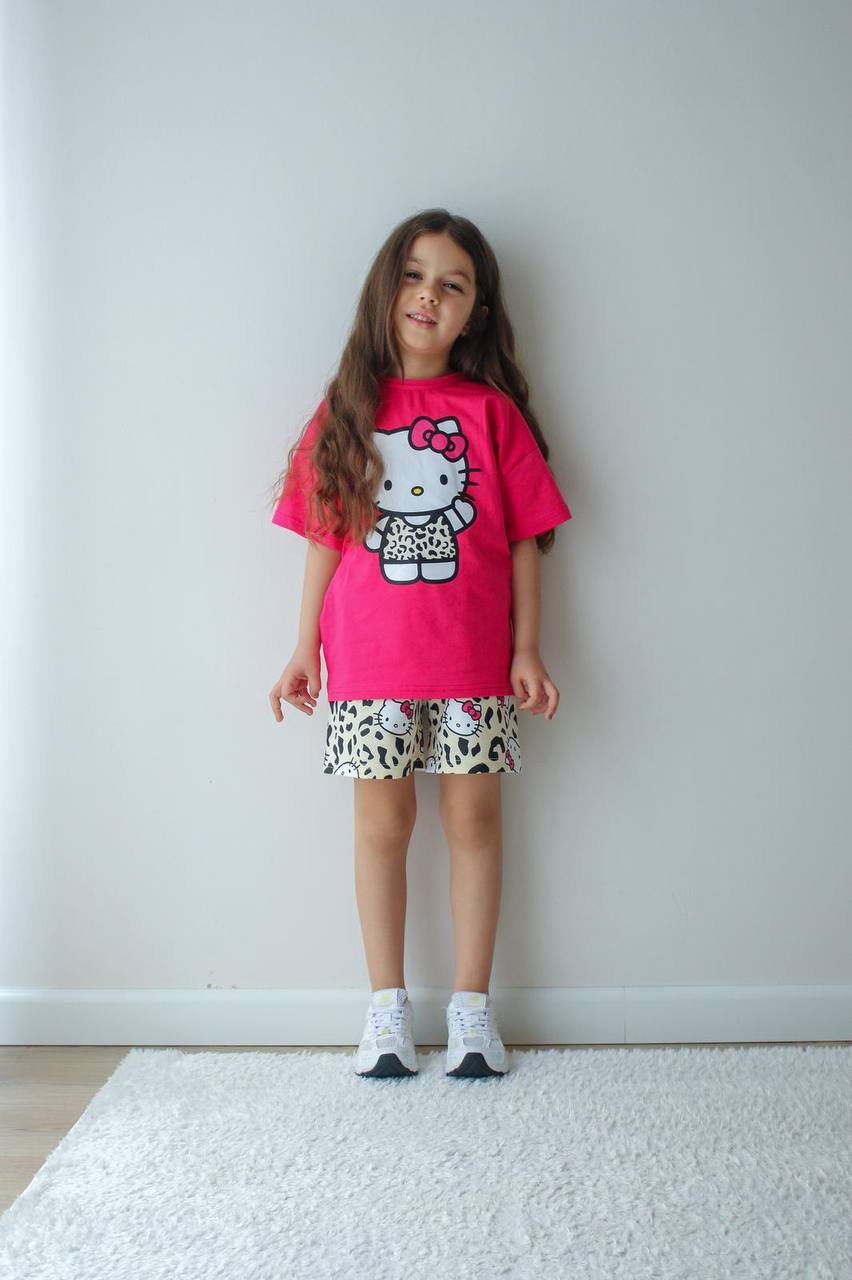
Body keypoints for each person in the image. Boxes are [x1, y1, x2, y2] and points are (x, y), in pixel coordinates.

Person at [268, 208, 573, 1080]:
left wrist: (527, 649)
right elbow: (325, 536)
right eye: (414, 275)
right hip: (370, 665)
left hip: (474, 664)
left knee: (474, 820)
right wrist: (303, 646)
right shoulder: (348, 409)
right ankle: (386, 1008)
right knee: (383, 825)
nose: (429, 296)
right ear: (386, 288)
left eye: (452, 284)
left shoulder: (492, 414)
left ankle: (472, 1008)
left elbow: (525, 539)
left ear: (476, 313)